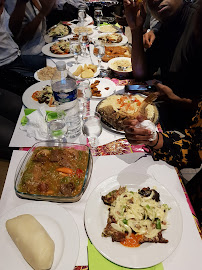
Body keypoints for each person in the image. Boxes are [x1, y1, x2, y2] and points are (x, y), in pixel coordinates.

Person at [123, 0, 202, 131]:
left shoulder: (197, 22)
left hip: (190, 130)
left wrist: (177, 100)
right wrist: (135, 29)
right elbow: (141, 73)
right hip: (166, 114)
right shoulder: (168, 24)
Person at [6, 0, 56, 70]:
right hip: (30, 54)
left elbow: (47, 10)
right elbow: (20, 38)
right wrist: (42, 13)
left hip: (44, 44)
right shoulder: (13, 3)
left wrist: (49, 6)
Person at [0, 0, 35, 95]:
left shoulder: (4, 7)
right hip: (5, 65)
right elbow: (21, 37)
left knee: (56, 67)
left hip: (16, 55)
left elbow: (12, 32)